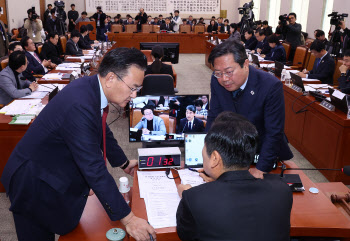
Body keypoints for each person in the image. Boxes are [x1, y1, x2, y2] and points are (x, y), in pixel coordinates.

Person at [1, 47, 157, 241]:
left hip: (50, 169)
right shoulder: (80, 104)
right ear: (110, 78)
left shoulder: (93, 88)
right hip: (32, 182)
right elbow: (94, 167)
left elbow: (101, 130)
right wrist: (129, 219)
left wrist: (123, 163)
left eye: (138, 90)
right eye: (133, 88)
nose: (134, 95)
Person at [176, 111, 293, 241]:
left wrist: (186, 195)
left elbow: (185, 235)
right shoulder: (282, 190)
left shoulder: (193, 198)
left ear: (214, 158)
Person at [207, 40, 293, 178]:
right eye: (218, 73)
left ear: (245, 64)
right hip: (232, 150)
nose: (224, 79)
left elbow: (274, 132)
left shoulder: (270, 86)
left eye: (229, 72)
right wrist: (207, 154)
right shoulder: (216, 79)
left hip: (262, 151)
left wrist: (261, 168)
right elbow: (214, 116)